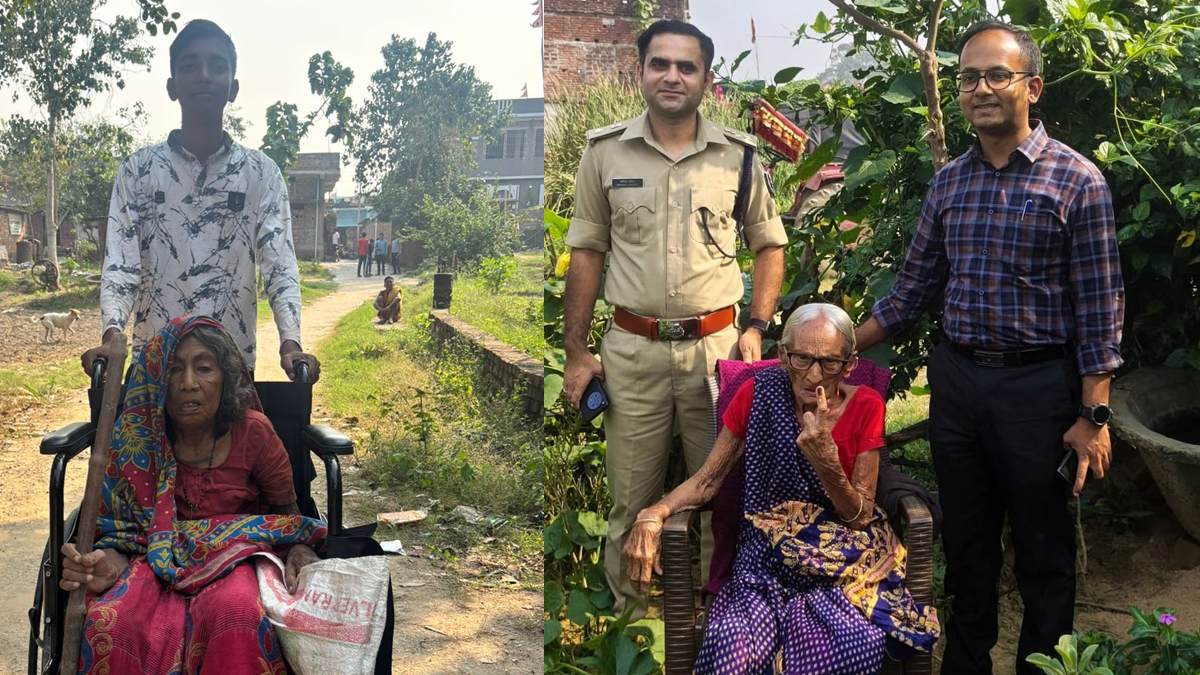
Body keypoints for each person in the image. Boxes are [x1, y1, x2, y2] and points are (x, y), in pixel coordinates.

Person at [852, 21, 1124, 674]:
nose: (980, 89)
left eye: (995, 75)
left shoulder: (1077, 181)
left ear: (1031, 86)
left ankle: (1043, 666)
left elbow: (1100, 309)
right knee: (968, 548)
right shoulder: (950, 184)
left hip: (1039, 392)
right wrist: (828, 343)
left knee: (1043, 551)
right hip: (959, 388)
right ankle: (965, 664)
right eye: (969, 77)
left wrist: (1093, 417)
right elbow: (909, 293)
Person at [562, 19, 787, 616]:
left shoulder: (738, 158)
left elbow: (770, 244)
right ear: (640, 72)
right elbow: (586, 252)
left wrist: (757, 326)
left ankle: (723, 625)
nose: (672, 76)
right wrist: (577, 351)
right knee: (629, 501)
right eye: (660, 63)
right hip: (631, 354)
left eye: (686, 67)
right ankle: (631, 627)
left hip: (717, 353)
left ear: (706, 80)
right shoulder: (604, 153)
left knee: (723, 497)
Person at [625, 304, 939, 674]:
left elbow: (860, 517)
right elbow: (707, 481)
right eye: (802, 358)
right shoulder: (757, 394)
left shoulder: (865, 406)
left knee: (847, 647)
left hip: (838, 565)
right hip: (763, 561)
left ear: (850, 364)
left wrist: (827, 462)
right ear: (782, 356)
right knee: (732, 649)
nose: (815, 375)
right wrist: (653, 513)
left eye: (830, 363)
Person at [60, 316, 327, 674]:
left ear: (225, 378)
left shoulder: (254, 434)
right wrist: (102, 567)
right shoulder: (135, 441)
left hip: (232, 562)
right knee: (113, 623)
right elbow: (119, 535)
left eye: (203, 368)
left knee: (239, 616)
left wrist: (299, 549)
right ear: (158, 382)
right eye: (174, 370)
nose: (188, 384)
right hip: (147, 563)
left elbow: (288, 520)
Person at [85, 19, 319, 382]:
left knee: (233, 441)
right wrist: (112, 333)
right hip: (155, 365)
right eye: (190, 66)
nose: (204, 75)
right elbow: (121, 263)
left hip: (230, 367)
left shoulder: (261, 174)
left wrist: (291, 342)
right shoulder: (138, 171)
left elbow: (279, 264)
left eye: (217, 66)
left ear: (234, 87)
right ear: (172, 86)